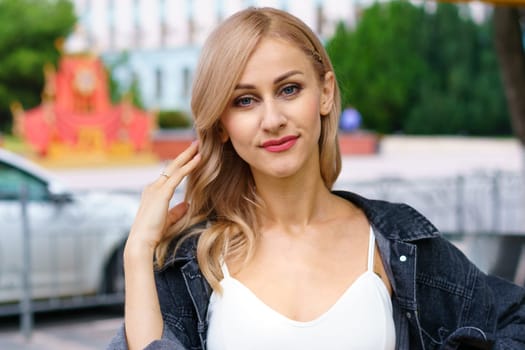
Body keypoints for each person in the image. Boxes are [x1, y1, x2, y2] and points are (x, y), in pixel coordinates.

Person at [108, 7, 525, 350]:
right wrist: (137, 253)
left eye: (289, 89)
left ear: (325, 93)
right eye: (245, 100)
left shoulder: (397, 242)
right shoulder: (194, 261)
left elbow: (513, 319)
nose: (272, 120)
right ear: (221, 124)